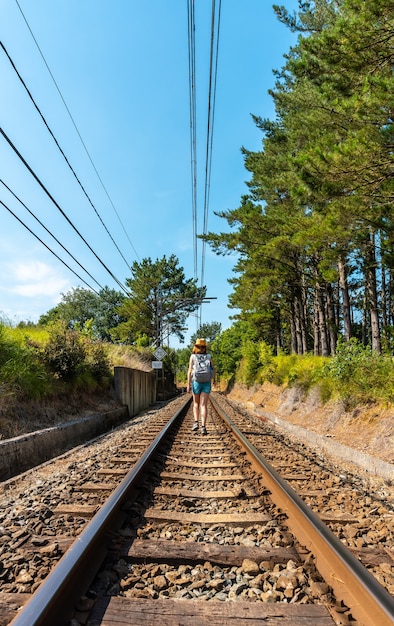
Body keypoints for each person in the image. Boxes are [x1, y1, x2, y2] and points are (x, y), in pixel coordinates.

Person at [187, 338, 215, 435]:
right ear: (204, 347)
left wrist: (188, 384)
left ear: (196, 346)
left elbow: (190, 371)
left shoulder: (193, 357)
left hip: (196, 382)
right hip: (207, 382)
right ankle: (203, 427)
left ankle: (196, 422)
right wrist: (214, 381)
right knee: (203, 405)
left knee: (196, 404)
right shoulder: (209, 356)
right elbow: (213, 370)